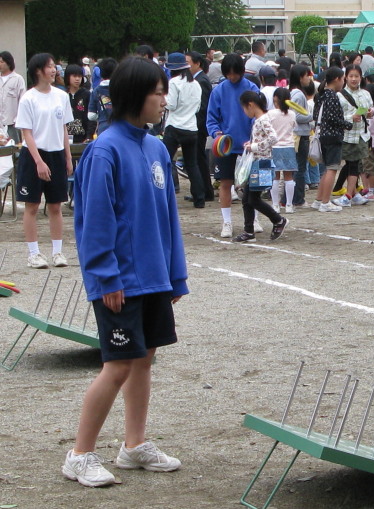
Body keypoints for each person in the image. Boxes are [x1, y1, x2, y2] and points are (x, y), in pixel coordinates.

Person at [66, 57, 187, 488]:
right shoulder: (104, 150)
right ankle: (79, 454)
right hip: (119, 282)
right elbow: (94, 222)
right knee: (117, 366)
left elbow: (168, 218)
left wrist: (175, 275)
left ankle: (133, 445)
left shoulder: (156, 148)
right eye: (158, 93)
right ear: (136, 96)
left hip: (154, 278)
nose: (164, 101)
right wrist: (106, 277)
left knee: (144, 361)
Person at [15, 53, 73, 268]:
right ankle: (34, 253)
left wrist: (68, 157)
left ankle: (57, 252)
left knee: (56, 205)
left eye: (54, 66)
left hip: (56, 154)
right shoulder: (28, 98)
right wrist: (38, 161)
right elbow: (27, 133)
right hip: (34, 155)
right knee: (32, 205)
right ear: (38, 70)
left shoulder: (61, 96)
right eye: (49, 66)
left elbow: (64, 128)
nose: (54, 70)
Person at [206, 53, 259, 237]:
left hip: (249, 145)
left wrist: (254, 137)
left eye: (235, 73)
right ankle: (227, 222)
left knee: (253, 184)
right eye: (228, 73)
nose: (232, 76)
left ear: (242, 71)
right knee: (225, 183)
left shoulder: (251, 88)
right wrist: (217, 133)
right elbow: (211, 118)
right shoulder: (218, 91)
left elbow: (259, 115)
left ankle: (255, 218)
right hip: (226, 146)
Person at [233, 90, 288, 242]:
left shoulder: (262, 120)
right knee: (247, 199)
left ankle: (278, 220)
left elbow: (273, 138)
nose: (245, 112)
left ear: (250, 105)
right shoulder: (260, 120)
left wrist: (255, 146)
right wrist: (252, 144)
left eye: (244, 108)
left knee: (253, 199)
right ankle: (248, 231)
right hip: (257, 163)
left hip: (262, 164)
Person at [162, 53, 203, 207]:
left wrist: (162, 101)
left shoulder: (173, 82)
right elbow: (197, 107)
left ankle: (164, 195)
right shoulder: (196, 83)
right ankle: (199, 199)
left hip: (174, 126)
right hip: (191, 127)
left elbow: (171, 105)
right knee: (192, 165)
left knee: (165, 162)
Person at [311, 67, 353, 212]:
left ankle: (319, 200)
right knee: (332, 168)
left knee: (327, 168)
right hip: (333, 136)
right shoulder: (332, 97)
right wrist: (348, 124)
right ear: (337, 79)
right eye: (343, 79)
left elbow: (317, 116)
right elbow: (333, 118)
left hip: (322, 134)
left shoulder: (321, 95)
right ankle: (325, 202)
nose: (343, 82)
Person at [334, 64, 373, 207]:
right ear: (346, 77)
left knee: (354, 164)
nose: (354, 79)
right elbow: (337, 117)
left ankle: (351, 195)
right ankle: (351, 195)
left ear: (361, 77)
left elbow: (370, 111)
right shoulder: (340, 95)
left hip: (362, 134)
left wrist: (370, 113)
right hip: (347, 135)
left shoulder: (366, 94)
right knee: (352, 164)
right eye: (351, 76)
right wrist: (351, 117)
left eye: (356, 76)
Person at [185, 51, 215, 203]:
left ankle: (204, 191)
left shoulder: (201, 80)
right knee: (198, 158)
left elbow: (202, 107)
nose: (185, 66)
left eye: (188, 63)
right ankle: (203, 190)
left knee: (198, 159)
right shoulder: (197, 79)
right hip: (197, 125)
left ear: (197, 63)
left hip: (198, 126)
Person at [267, 88, 297, 213]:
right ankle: (289, 205)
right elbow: (293, 126)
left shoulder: (270, 114)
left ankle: (275, 205)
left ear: (275, 99)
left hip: (274, 147)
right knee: (289, 177)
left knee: (275, 177)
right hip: (288, 146)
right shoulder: (292, 114)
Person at [288, 65, 313, 207]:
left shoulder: (293, 93)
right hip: (300, 134)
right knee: (300, 168)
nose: (309, 78)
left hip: (297, 134)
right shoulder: (298, 95)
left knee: (296, 168)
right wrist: (311, 116)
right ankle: (298, 198)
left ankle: (292, 198)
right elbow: (296, 116)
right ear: (300, 77)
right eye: (306, 75)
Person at [0, 51, 26, 143]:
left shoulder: (18, 79)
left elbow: (22, 101)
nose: (0, 64)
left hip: (12, 123)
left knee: (14, 147)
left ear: (9, 63)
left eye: (2, 62)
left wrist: (18, 120)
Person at [88, 58, 117, 137]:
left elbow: (91, 115)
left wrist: (101, 115)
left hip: (103, 129)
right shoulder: (121, 89)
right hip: (119, 128)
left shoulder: (96, 91)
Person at [64, 64, 93, 143]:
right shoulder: (62, 95)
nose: (77, 79)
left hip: (83, 138)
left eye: (79, 76)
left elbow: (91, 117)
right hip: (65, 138)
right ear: (68, 77)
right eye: (74, 76)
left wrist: (89, 136)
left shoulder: (87, 94)